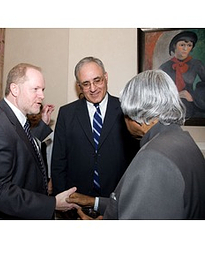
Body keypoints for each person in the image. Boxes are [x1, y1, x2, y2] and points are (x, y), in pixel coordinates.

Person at [67, 69, 205, 220]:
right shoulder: (182, 139)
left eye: (125, 114)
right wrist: (94, 202)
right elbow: (147, 203)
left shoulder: (154, 158)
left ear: (139, 117)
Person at [0, 63, 78, 219]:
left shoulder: (15, 119)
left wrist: (42, 127)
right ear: (15, 89)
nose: (41, 96)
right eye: (35, 89)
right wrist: (52, 203)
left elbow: (23, 148)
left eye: (42, 90)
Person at [51, 56, 139, 202]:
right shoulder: (67, 114)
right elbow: (58, 162)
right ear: (79, 86)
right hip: (76, 200)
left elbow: (135, 160)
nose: (93, 89)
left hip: (117, 200)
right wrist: (63, 200)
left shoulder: (125, 110)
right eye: (86, 84)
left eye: (97, 80)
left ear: (106, 77)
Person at [159, 31, 205, 118]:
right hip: (170, 107)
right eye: (182, 45)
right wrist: (175, 95)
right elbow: (158, 91)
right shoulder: (164, 67)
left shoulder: (197, 64)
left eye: (189, 45)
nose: (185, 49)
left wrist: (193, 97)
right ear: (174, 46)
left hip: (191, 105)